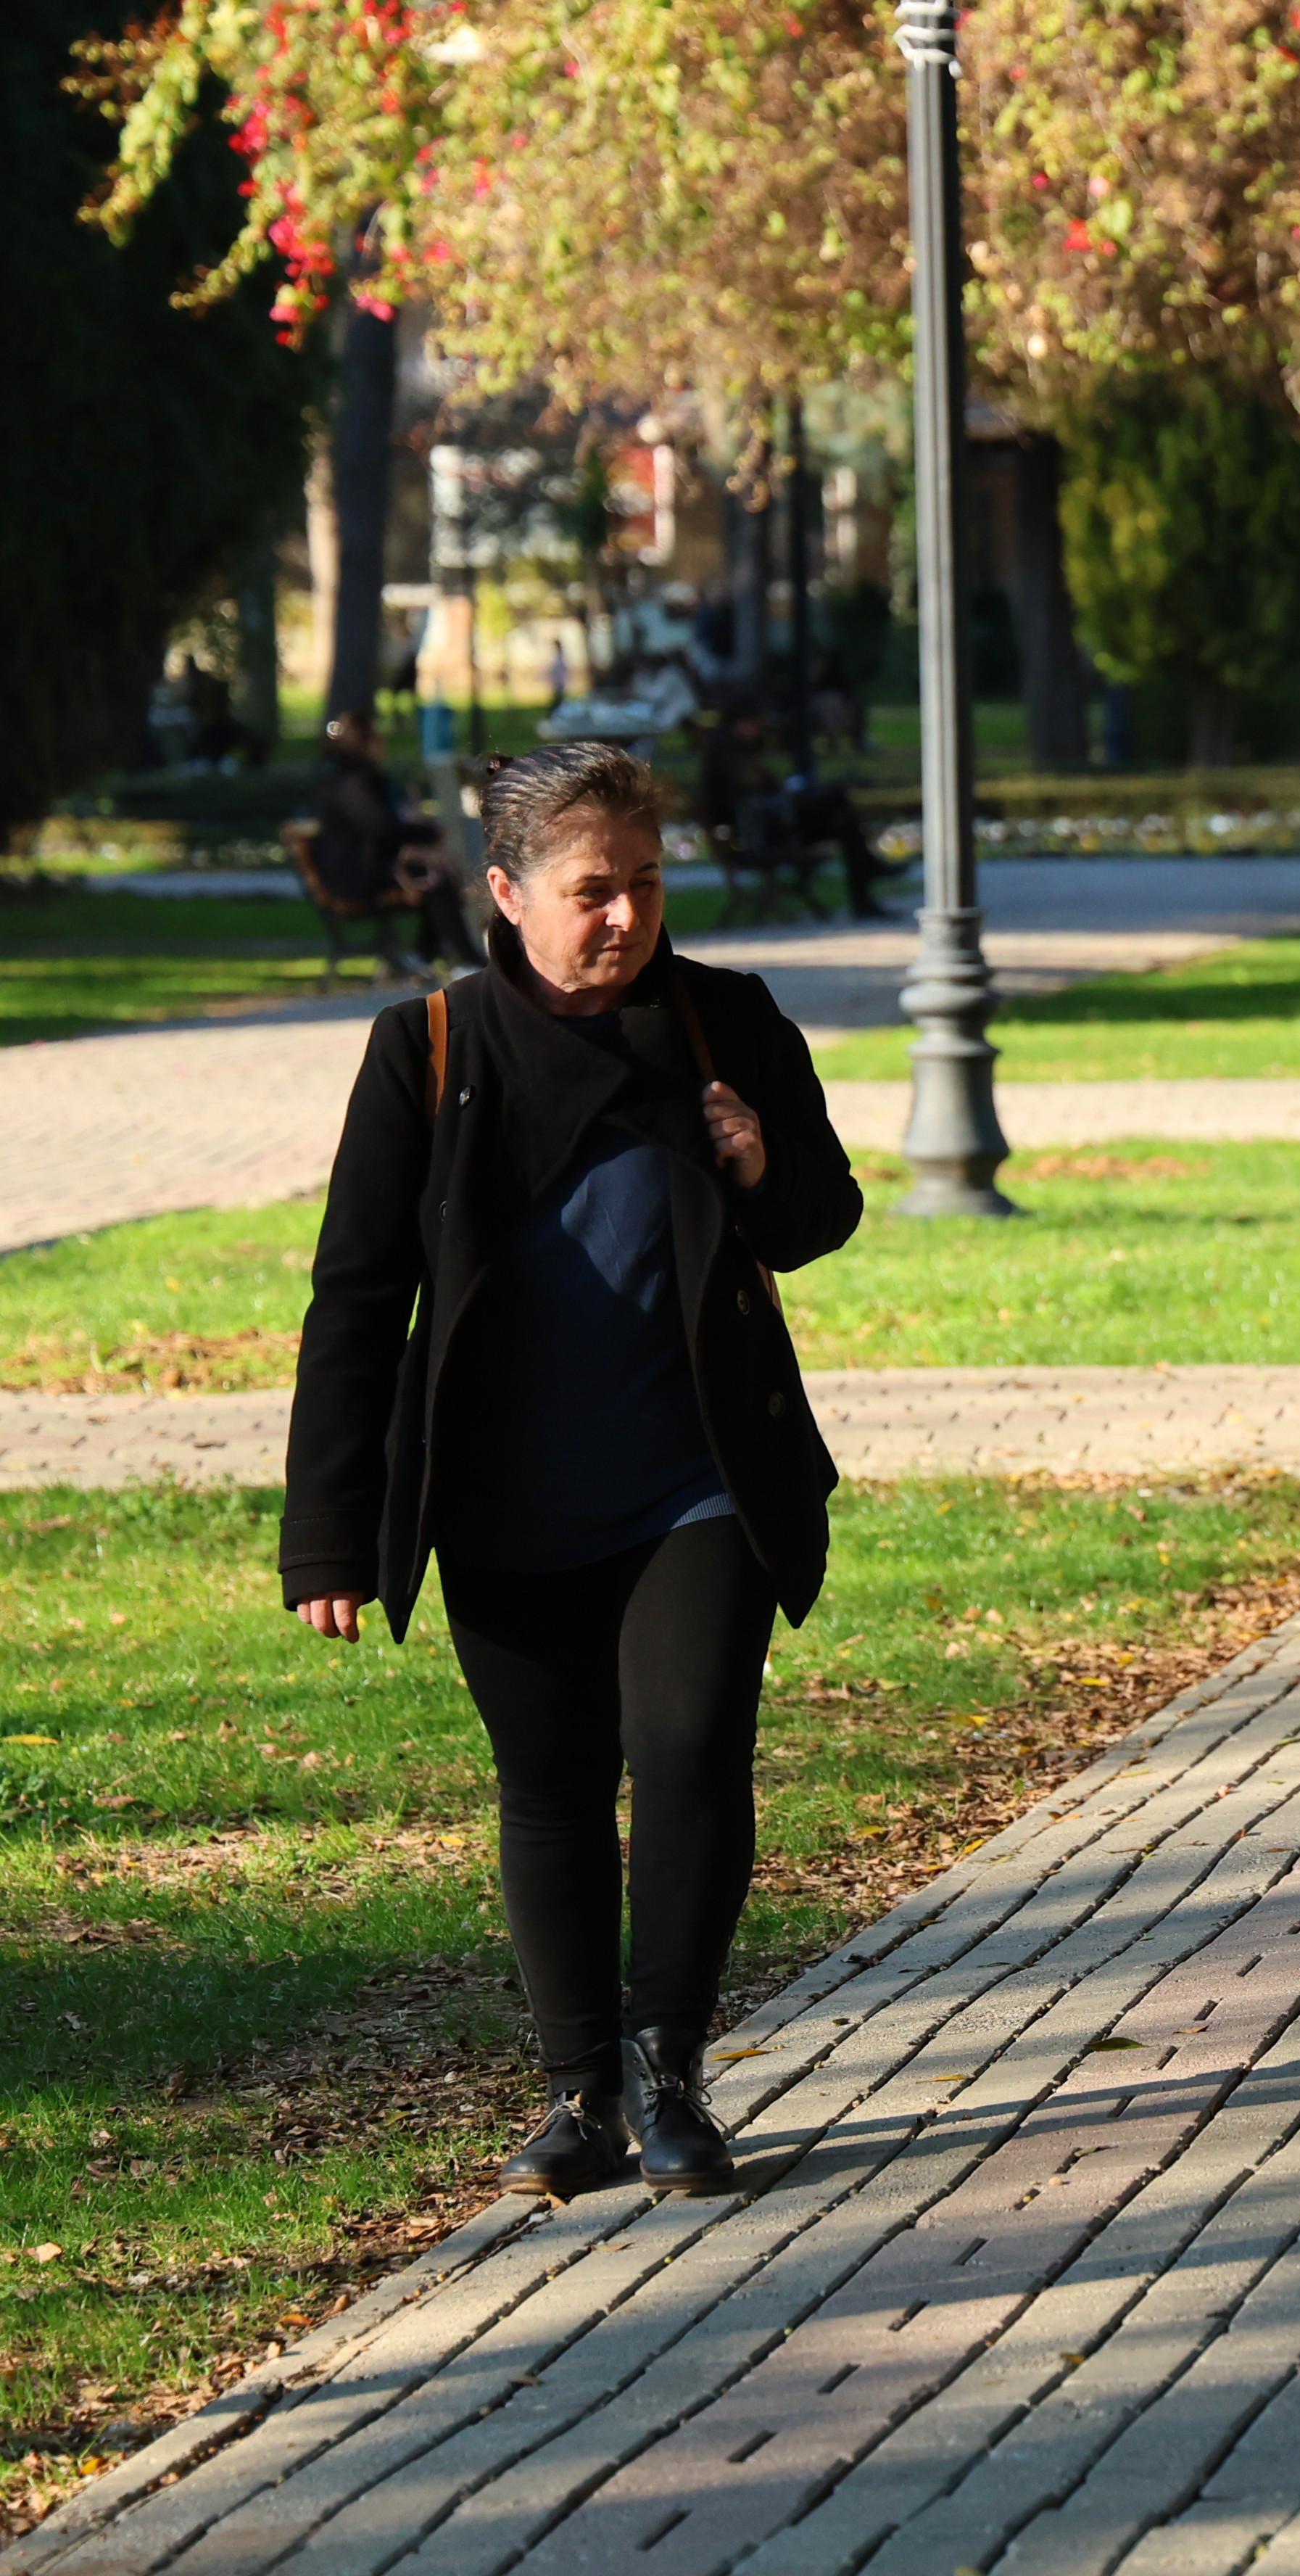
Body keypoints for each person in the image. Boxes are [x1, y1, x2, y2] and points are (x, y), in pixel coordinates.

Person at [278, 743, 861, 2197]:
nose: (625, 917)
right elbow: (356, 1298)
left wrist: (758, 1168)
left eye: (647, 884)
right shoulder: (429, 1049)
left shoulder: (725, 1023)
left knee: (686, 1752)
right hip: (502, 1492)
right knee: (546, 1784)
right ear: (507, 892)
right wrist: (328, 1535)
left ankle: (671, 2081)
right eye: (592, 890)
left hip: (696, 1479)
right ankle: (578, 2097)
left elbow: (819, 1217)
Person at [312, 711, 484, 970]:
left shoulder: (351, 779)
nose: (383, 745)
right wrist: (426, 834)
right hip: (354, 876)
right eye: (378, 739)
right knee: (433, 876)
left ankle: (425, 955)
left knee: (434, 874)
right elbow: (381, 830)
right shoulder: (354, 784)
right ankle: (467, 960)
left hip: (364, 867)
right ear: (365, 744)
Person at [698, 699, 896, 920]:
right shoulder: (727, 750)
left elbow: (765, 786)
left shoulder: (736, 748)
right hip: (761, 833)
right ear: (742, 723)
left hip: (774, 825)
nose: (757, 731)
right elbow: (756, 788)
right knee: (836, 797)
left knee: (846, 822)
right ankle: (871, 875)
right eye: (755, 725)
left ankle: (864, 900)